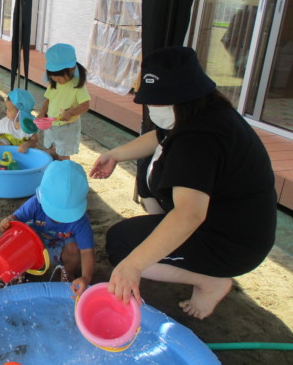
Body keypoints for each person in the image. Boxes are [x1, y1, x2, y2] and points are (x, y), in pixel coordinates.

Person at [89, 46, 277, 320]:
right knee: (148, 171)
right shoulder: (201, 109)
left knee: (121, 246)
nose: (152, 108)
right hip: (228, 219)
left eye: (157, 103)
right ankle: (169, 240)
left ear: (181, 98)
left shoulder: (198, 140)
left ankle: (210, 282)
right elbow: (160, 136)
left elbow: (190, 215)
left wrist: (133, 265)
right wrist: (114, 155)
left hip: (232, 243)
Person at [0, 160, 95, 298]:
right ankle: (19, 272)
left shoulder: (80, 220)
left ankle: (67, 273)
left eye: (65, 215)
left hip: (62, 245)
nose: (59, 218)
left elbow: (86, 251)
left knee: (74, 248)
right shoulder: (35, 203)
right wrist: (7, 222)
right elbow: (16, 219)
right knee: (20, 236)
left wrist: (86, 277)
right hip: (35, 242)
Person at [37, 43, 91, 160]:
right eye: (53, 75)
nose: (56, 79)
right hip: (52, 124)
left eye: (60, 76)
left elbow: (85, 105)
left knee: (62, 154)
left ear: (72, 69)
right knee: (51, 151)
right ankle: (53, 170)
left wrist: (71, 112)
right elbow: (48, 100)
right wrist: (42, 112)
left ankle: (64, 170)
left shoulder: (77, 86)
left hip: (67, 127)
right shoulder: (53, 83)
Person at [0, 88, 38, 153]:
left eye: (9, 110)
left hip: (20, 151)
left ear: (20, 112)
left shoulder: (29, 126)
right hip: (6, 148)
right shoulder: (6, 122)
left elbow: (35, 141)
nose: (6, 112)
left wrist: (26, 144)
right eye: (7, 109)